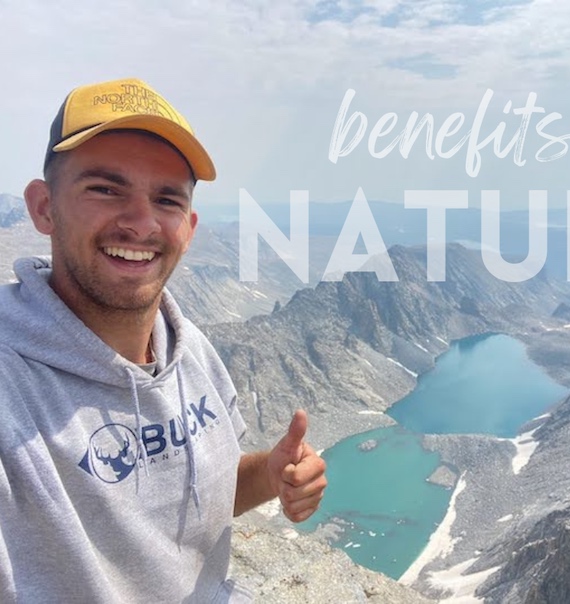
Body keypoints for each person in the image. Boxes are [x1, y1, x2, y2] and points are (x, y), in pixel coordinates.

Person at [0, 78, 327, 603]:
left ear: (190, 227)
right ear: (43, 208)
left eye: (167, 199)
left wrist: (268, 475)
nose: (141, 223)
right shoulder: (11, 385)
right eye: (105, 189)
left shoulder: (189, 346)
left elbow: (209, 491)